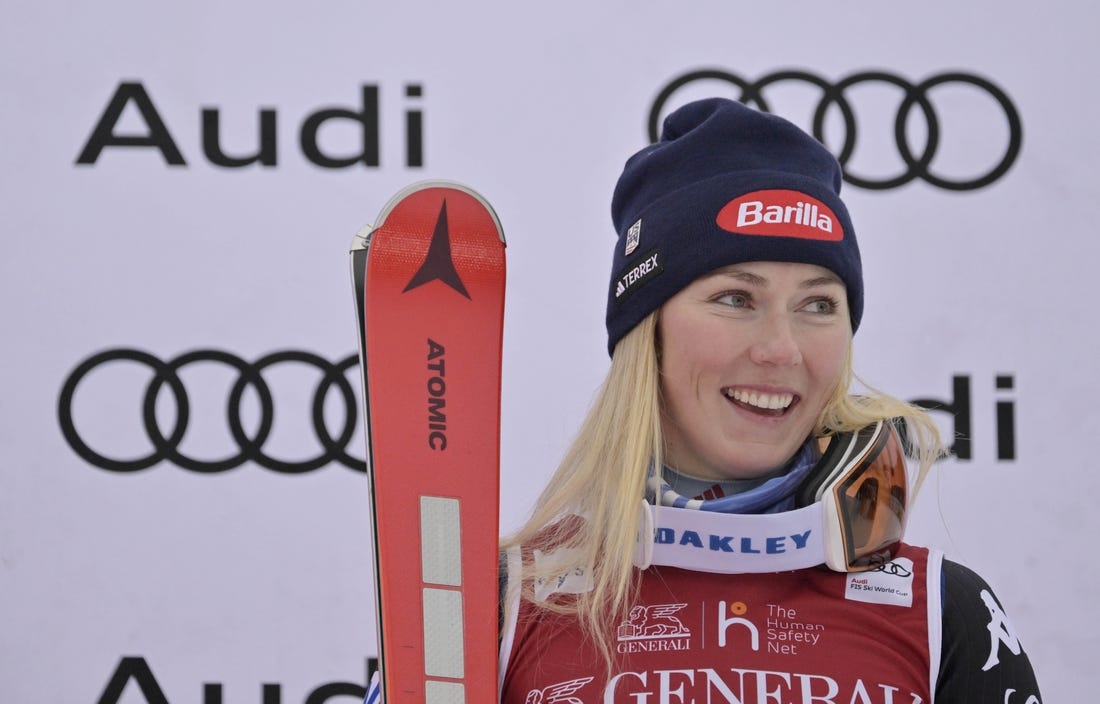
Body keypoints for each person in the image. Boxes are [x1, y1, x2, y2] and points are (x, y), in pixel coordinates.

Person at [496, 98, 1042, 703]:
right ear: (646, 329)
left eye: (817, 305)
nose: (782, 350)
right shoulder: (504, 603)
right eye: (735, 298)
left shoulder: (945, 613)